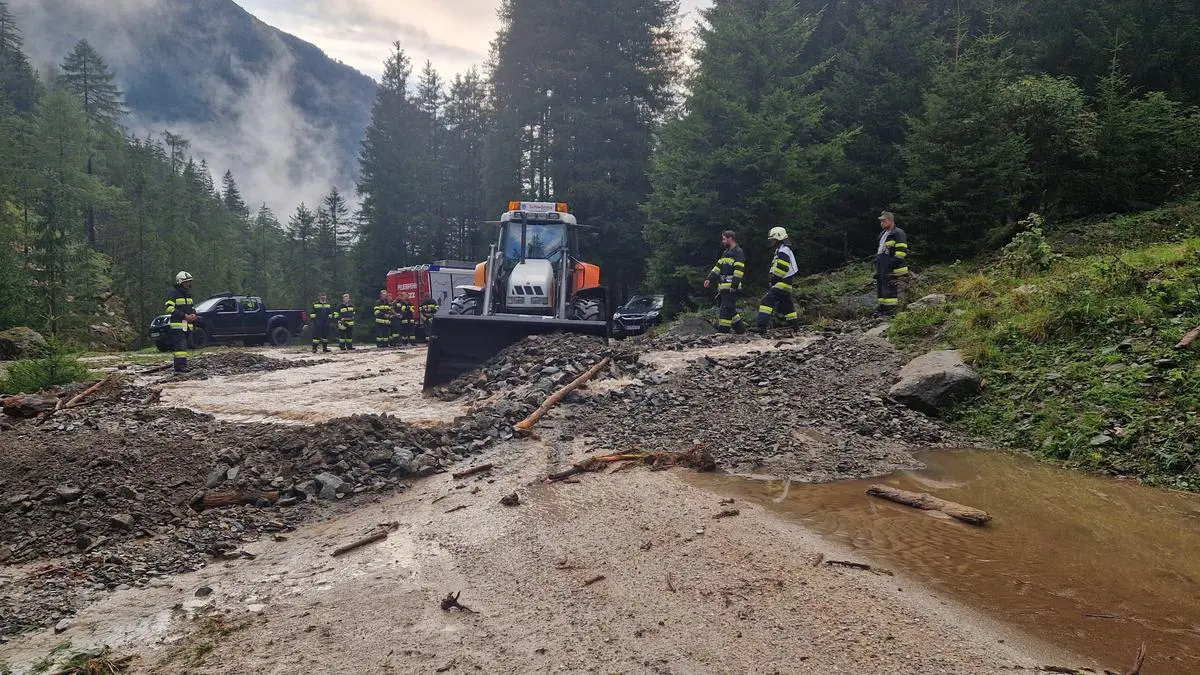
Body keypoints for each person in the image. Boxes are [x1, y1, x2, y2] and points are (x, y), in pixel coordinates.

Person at [755, 227, 800, 332]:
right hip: (787, 282)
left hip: (782, 281)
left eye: (773, 240)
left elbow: (783, 267)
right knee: (787, 305)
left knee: (766, 301)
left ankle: (761, 327)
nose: (771, 242)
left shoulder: (783, 250)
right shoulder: (783, 249)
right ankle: (795, 327)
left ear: (778, 239)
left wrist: (774, 279)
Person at [704, 230, 747, 334]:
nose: (722, 241)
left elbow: (739, 271)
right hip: (724, 287)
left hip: (732, 287)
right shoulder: (726, 253)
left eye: (724, 239)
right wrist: (709, 278)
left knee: (725, 309)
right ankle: (740, 330)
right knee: (730, 309)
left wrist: (735, 285)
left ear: (730, 238)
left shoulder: (738, 252)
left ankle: (723, 332)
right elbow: (717, 268)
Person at [875, 211, 910, 315]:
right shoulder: (882, 234)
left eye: (884, 221)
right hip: (882, 265)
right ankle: (882, 308)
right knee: (881, 287)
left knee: (890, 287)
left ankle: (891, 310)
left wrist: (890, 264)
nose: (881, 223)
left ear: (890, 220)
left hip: (894, 267)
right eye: (880, 222)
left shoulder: (898, 233)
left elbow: (901, 253)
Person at [165, 271, 197, 373]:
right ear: (180, 282)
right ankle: (180, 368)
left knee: (183, 346)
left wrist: (193, 314)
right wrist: (183, 316)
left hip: (186, 325)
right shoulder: (173, 292)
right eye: (186, 282)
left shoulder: (188, 294)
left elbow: (191, 307)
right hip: (177, 325)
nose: (189, 284)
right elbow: (169, 308)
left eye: (189, 282)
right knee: (180, 346)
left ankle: (181, 365)